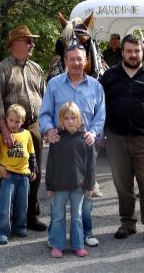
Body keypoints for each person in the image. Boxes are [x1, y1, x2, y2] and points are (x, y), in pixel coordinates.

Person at [100, 34, 144, 246]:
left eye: (137, 51)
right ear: (122, 52)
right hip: (116, 137)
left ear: (142, 52)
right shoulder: (110, 75)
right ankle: (127, 222)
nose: (133, 55)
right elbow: (99, 105)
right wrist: (100, 130)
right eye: (129, 51)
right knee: (122, 185)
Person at [39, 42, 105, 247]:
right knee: (59, 193)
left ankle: (86, 232)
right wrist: (48, 130)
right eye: (72, 59)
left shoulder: (96, 86)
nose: (76, 62)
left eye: (80, 59)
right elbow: (45, 113)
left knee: (85, 190)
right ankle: (55, 235)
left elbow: (100, 115)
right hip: (60, 146)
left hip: (85, 145)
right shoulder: (54, 84)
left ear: (86, 61)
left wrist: (93, 133)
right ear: (65, 61)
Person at [0, 25, 47, 231]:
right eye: (28, 40)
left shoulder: (36, 68)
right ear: (14, 44)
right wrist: (4, 130)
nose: (32, 44)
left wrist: (45, 125)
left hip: (33, 127)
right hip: (10, 129)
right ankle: (3, 220)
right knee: (6, 173)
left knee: (33, 171)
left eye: (32, 40)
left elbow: (44, 98)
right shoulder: (1, 69)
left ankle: (30, 216)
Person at [45, 102, 95, 258]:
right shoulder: (56, 139)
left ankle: (78, 244)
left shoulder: (86, 139)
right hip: (59, 185)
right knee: (58, 216)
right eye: (66, 118)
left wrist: (90, 184)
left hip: (78, 186)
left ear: (79, 119)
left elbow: (90, 165)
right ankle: (57, 245)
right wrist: (49, 185)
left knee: (77, 216)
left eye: (74, 117)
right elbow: (50, 164)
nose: (70, 121)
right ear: (61, 120)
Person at [0, 104, 36, 245]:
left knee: (22, 204)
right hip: (8, 175)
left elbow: (32, 154)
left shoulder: (27, 134)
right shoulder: (1, 135)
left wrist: (33, 170)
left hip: (24, 176)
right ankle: (0, 231)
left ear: (23, 121)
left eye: (17, 121)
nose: (14, 124)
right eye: (11, 120)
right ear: (6, 119)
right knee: (4, 205)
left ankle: (19, 227)